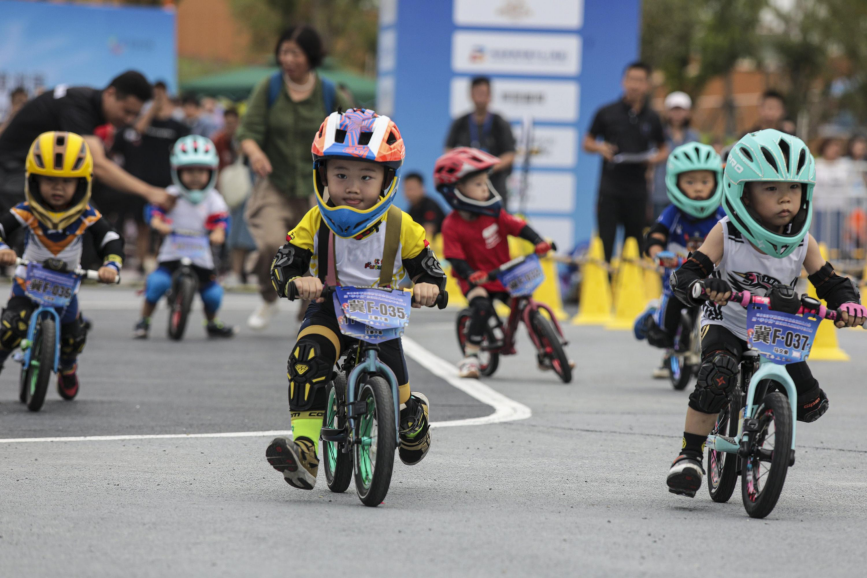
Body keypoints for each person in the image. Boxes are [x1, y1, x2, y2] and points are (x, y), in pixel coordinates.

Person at [665, 129, 867, 498]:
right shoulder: (726, 232)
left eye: (793, 188)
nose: (785, 198)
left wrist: (847, 304)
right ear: (743, 192)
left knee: (811, 405)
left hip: (776, 326)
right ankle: (689, 455)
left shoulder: (803, 240)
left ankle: (765, 417)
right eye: (770, 189)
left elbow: (829, 280)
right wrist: (702, 285)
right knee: (717, 373)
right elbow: (688, 271)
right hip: (727, 319)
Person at [265, 109, 446, 489]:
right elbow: (283, 266)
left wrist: (430, 287)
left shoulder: (402, 226)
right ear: (322, 176)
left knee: (408, 436)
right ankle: (305, 450)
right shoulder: (314, 222)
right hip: (329, 307)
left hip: (381, 316)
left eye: (366, 177)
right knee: (307, 355)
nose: (352, 186)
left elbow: (432, 271)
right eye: (341, 175)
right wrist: (298, 282)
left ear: (386, 180)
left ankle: (413, 413)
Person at [238, 26, 351, 330]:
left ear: (311, 57)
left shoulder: (328, 92)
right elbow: (247, 132)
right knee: (272, 245)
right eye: (283, 51)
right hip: (274, 183)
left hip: (317, 186)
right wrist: (256, 153)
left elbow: (351, 132)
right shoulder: (269, 87)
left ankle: (309, 310)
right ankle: (268, 295)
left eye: (295, 53)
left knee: (320, 249)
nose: (287, 58)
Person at [0, 131, 122, 398]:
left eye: (67, 181)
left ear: (82, 183)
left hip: (67, 287)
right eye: (50, 180)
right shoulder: (27, 210)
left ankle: (67, 369)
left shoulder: (87, 215)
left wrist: (111, 266)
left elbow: (110, 238)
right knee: (11, 328)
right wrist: (4, 248)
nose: (58, 187)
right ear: (33, 179)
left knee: (72, 337)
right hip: (27, 279)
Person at [434, 147, 557, 378]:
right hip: (476, 280)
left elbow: (518, 227)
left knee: (524, 306)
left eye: (486, 183)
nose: (486, 189)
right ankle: (470, 356)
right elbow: (455, 258)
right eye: (478, 184)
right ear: (457, 190)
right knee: (481, 307)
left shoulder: (494, 213)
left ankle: (547, 353)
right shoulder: (451, 224)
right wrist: (470, 274)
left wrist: (539, 241)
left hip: (502, 276)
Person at [0, 71, 168, 213]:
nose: (129, 119)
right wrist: (150, 192)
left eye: (135, 115)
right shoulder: (78, 105)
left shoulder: (87, 100)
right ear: (110, 93)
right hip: (11, 172)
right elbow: (98, 165)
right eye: (126, 111)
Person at [634, 142, 725, 378]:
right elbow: (656, 235)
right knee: (667, 326)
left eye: (705, 182)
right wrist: (657, 253)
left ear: (717, 181)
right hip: (677, 281)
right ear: (676, 183)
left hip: (712, 282)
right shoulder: (673, 212)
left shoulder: (721, 214)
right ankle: (656, 320)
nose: (698, 189)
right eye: (690, 182)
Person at [133, 136, 235, 339]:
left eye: (201, 171)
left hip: (201, 258)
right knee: (157, 284)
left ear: (211, 172)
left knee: (213, 294)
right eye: (189, 171)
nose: (196, 176)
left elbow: (221, 220)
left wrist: (218, 232)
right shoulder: (171, 194)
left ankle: (212, 321)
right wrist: (157, 223)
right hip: (171, 255)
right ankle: (144, 321)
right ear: (178, 172)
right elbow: (154, 210)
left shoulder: (214, 199)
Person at [584, 62, 668, 262]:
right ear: (623, 81)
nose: (635, 85)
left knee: (636, 244)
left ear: (647, 85)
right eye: (631, 80)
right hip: (610, 189)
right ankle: (605, 287)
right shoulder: (606, 112)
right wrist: (600, 148)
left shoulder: (653, 117)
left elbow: (664, 148)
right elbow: (587, 142)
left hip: (638, 190)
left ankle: (632, 290)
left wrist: (653, 159)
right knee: (605, 243)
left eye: (640, 81)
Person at [109, 81, 190, 272]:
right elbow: (138, 131)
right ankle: (141, 261)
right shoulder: (143, 121)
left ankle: (161, 260)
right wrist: (153, 108)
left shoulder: (175, 125)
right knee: (143, 226)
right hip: (143, 183)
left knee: (164, 227)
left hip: (166, 182)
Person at [445, 76, 516, 207]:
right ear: (471, 95)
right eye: (477, 93)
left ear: (490, 96)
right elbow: (448, 150)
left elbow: (510, 154)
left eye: (484, 93)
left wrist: (488, 167)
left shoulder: (500, 123)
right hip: (466, 184)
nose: (480, 97)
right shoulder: (460, 122)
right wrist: (466, 167)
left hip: (495, 184)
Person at [650, 92, 701, 219]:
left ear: (688, 112)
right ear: (667, 112)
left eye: (681, 110)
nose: (677, 114)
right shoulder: (658, 135)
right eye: (674, 110)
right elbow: (650, 165)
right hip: (661, 193)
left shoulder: (694, 136)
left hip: (688, 194)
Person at [403, 171, 444, 239]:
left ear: (422, 188)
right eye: (407, 189)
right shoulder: (411, 210)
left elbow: (428, 233)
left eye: (412, 189)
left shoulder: (430, 205)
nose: (410, 193)